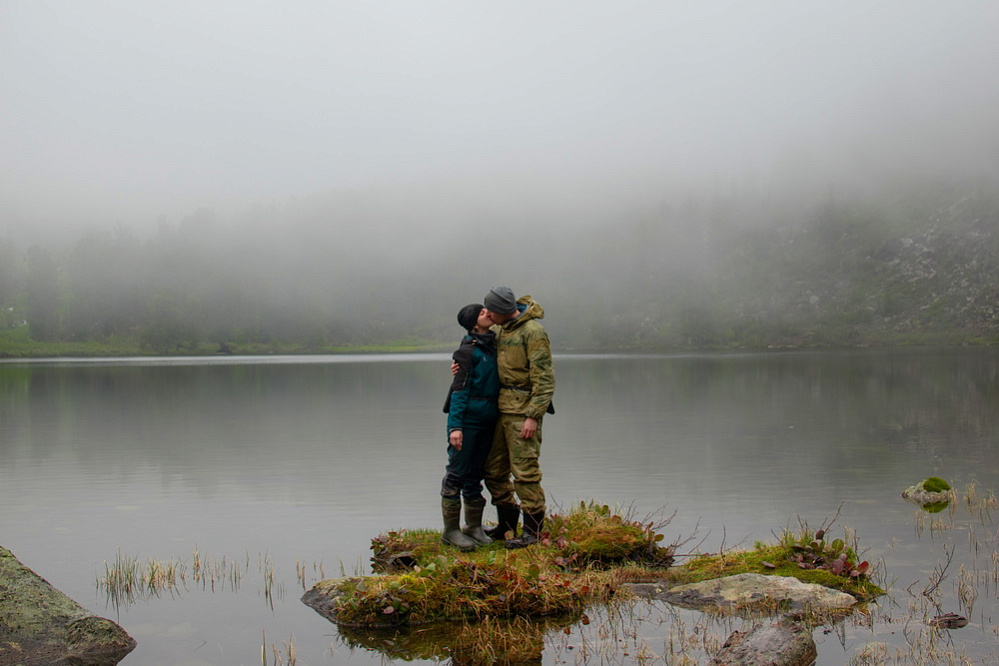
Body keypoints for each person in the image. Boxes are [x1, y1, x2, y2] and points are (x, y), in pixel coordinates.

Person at [480, 286, 555, 549]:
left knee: (525, 472)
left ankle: (533, 533)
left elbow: (544, 379)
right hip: (498, 410)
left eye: (490, 309)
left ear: (501, 310)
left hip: (523, 412)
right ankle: (507, 526)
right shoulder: (499, 328)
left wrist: (533, 416)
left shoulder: (533, 332)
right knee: (493, 470)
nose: (486, 313)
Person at [440, 303, 500, 551]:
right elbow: (459, 391)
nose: (488, 313)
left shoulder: (495, 346)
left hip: (489, 421)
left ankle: (473, 527)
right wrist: (455, 427)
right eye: (482, 312)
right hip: (467, 421)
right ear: (474, 323)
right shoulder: (466, 352)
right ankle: (450, 531)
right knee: (456, 474)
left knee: (476, 475)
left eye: (488, 310)